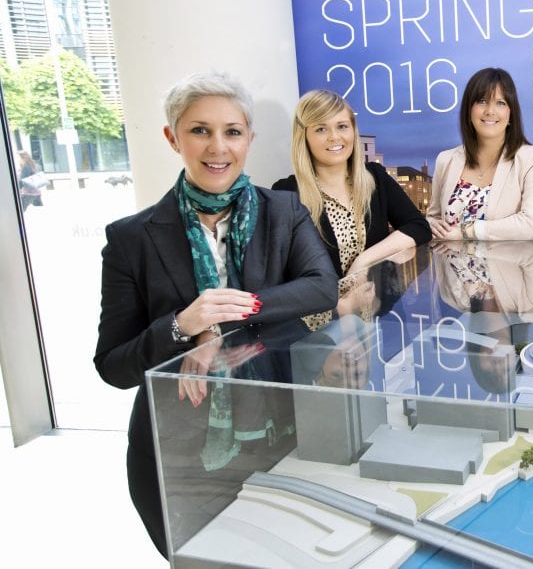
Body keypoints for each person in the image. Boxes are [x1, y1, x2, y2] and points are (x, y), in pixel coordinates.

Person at [93, 73, 338, 557]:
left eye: (232, 131)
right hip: (180, 456)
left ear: (249, 136)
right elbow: (113, 366)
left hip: (281, 436)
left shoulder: (284, 211)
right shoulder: (131, 238)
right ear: (172, 137)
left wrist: (222, 317)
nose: (217, 147)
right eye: (199, 130)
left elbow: (321, 286)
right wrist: (182, 325)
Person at [273, 89, 431, 278]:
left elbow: (418, 227)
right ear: (304, 136)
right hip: (327, 306)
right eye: (321, 129)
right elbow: (285, 275)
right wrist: (339, 301)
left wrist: (364, 261)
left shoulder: (375, 177)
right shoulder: (286, 193)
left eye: (342, 126)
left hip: (381, 306)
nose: (334, 137)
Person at [427, 67, 533, 241]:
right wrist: (431, 223)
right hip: (451, 266)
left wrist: (466, 231)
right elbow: (434, 217)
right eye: (482, 101)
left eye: (501, 103)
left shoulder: (532, 158)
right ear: (469, 110)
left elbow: (532, 225)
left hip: (510, 267)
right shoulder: (445, 160)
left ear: (511, 112)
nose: (490, 111)